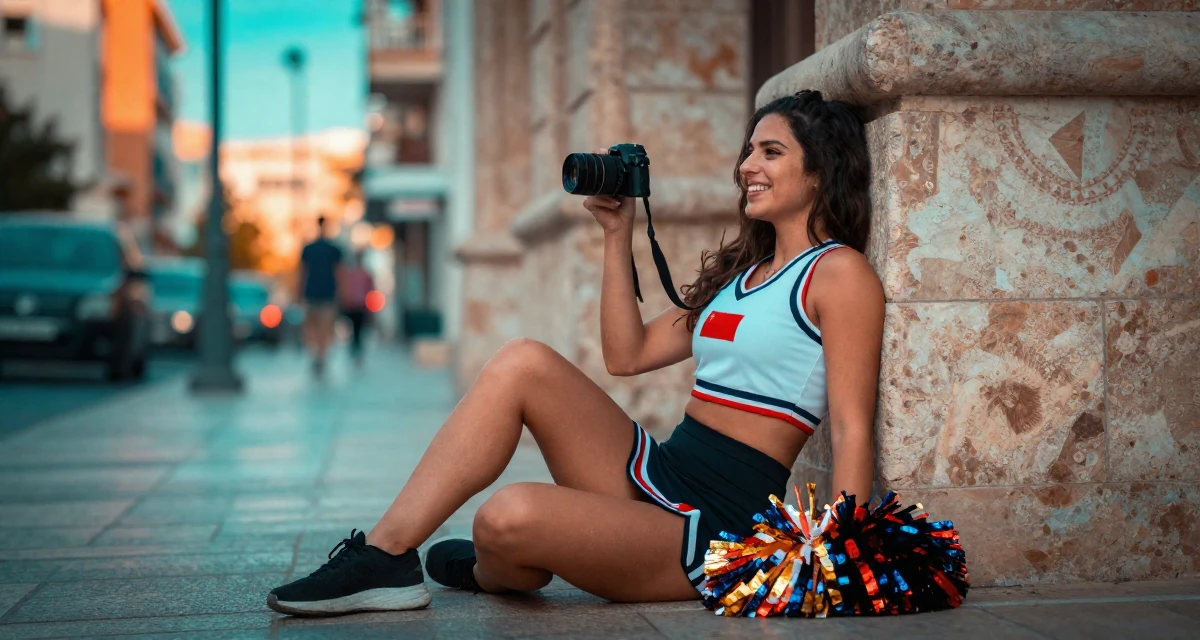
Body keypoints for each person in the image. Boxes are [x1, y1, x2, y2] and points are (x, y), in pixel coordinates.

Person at [266, 91, 884, 615]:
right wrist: (617, 236)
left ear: (820, 171)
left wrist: (839, 563)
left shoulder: (838, 274)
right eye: (749, 150)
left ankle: (494, 568)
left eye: (771, 152)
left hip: (720, 528)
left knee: (504, 518)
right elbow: (627, 354)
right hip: (662, 473)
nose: (748, 165)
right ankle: (387, 556)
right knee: (523, 360)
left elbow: (853, 429)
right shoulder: (745, 275)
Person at [299, 216, 344, 375]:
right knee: (323, 329)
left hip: (314, 294)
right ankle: (320, 356)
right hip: (325, 295)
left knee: (314, 329)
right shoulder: (333, 249)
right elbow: (339, 273)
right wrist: (341, 293)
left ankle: (318, 356)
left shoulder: (310, 249)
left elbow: (302, 274)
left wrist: (299, 293)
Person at [340, 250, 375, 368]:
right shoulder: (356, 274)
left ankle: (356, 351)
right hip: (354, 306)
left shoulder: (360, 274)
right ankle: (355, 350)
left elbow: (370, 291)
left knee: (357, 331)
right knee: (355, 331)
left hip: (358, 306)